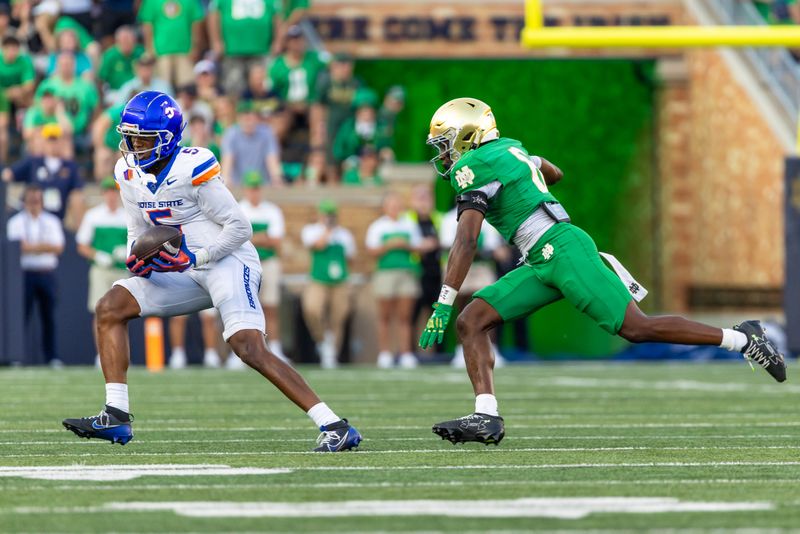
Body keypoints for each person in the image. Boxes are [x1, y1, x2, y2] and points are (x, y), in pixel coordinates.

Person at [418, 97, 787, 446]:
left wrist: (443, 301)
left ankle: (743, 338)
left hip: (562, 250)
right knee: (473, 321)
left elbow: (466, 240)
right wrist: (528, 167)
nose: (445, 154)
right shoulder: (511, 149)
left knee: (636, 328)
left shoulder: (472, 166)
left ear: (468, 137)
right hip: (542, 256)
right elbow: (553, 172)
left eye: (447, 143)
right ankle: (487, 415)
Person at [61, 91, 361, 452]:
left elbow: (240, 228)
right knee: (110, 306)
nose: (132, 145)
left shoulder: (193, 166)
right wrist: (135, 257)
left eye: (142, 138)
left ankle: (334, 424)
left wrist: (196, 258)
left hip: (227, 261)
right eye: (129, 136)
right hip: (183, 267)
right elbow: (136, 228)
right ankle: (116, 416)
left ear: (168, 138)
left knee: (247, 346)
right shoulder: (127, 172)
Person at [439, 206, 506, 368]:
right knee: (461, 310)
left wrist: (482, 251)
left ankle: (492, 350)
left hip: (482, 268)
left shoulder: (488, 218)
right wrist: (475, 250)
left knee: (489, 309)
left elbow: (494, 248)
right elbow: (448, 246)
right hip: (460, 268)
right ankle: (460, 351)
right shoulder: (449, 218)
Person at [6, 184, 65, 367]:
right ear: (24, 201)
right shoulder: (15, 222)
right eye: (31, 200)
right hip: (23, 276)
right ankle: (15, 356)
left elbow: (58, 247)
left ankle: (52, 357)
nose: (34, 203)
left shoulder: (51, 221)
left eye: (37, 200)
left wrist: (32, 247)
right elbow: (17, 248)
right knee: (20, 317)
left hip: (46, 273)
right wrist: (43, 247)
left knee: (49, 318)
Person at [75, 177, 129, 367]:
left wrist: (127, 251)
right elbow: (82, 245)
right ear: (103, 194)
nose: (111, 195)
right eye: (108, 192)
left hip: (122, 271)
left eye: (114, 191)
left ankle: (120, 355)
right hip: (100, 270)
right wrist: (97, 255)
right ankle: (102, 355)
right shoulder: (94, 216)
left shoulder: (127, 216)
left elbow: (137, 243)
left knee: (122, 315)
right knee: (100, 312)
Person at [365, 192, 422, 369]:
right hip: (385, 273)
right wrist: (390, 245)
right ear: (385, 207)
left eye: (397, 204)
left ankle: (405, 353)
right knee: (385, 316)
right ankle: (385, 353)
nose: (395, 208)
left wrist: (405, 245)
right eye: (391, 205)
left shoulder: (409, 224)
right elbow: (371, 251)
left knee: (405, 316)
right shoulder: (377, 226)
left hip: (406, 272)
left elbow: (418, 247)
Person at [238, 171, 288, 363]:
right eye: (251, 188)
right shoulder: (239, 208)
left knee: (271, 307)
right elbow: (237, 240)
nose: (254, 192)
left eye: (257, 188)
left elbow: (275, 241)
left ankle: (274, 348)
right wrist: (262, 237)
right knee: (246, 310)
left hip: (268, 263)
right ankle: (246, 350)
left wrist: (251, 238)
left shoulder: (272, 210)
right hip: (245, 265)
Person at [301, 200, 356, 369]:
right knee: (312, 309)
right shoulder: (311, 230)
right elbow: (317, 245)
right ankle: (322, 339)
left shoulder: (345, 235)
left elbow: (350, 258)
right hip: (318, 279)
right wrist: (328, 230)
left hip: (339, 280)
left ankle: (331, 352)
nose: (329, 217)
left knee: (338, 316)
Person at [2, 123, 84, 225]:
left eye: (55, 140)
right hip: (30, 217)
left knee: (77, 198)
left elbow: (77, 192)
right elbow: (8, 174)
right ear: (43, 142)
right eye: (49, 140)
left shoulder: (70, 166)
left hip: (56, 219)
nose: (52, 144)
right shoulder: (33, 161)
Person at [208, 0, 280, 95]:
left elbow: (278, 16)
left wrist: (278, 41)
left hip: (261, 49)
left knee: (262, 87)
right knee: (233, 88)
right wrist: (216, 41)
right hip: (232, 50)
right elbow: (213, 14)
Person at [405, 184, 442, 355]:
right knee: (412, 314)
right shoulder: (407, 219)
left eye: (426, 198)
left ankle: (438, 352)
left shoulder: (439, 219)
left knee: (438, 314)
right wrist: (421, 247)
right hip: (416, 271)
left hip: (437, 272)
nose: (423, 202)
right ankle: (411, 353)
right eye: (420, 198)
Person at [138, 0, 203, 88]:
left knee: (187, 87)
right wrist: (150, 50)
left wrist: (195, 47)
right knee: (162, 88)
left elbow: (196, 23)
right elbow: (147, 25)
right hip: (160, 52)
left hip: (185, 51)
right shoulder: (151, 1)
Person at [221, 100, 284, 187]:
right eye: (245, 118)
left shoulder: (267, 133)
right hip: (238, 186)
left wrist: (276, 178)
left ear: (257, 118)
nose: (248, 122)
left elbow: (272, 159)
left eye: (251, 117)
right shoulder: (231, 134)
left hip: (262, 186)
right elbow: (227, 160)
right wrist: (226, 179)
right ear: (238, 118)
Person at [35, 52, 99, 138]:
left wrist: (91, 124)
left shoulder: (85, 86)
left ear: (74, 65)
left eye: (68, 64)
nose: (65, 67)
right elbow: (37, 106)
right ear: (57, 66)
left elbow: (96, 108)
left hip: (80, 133)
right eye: (63, 64)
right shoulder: (47, 85)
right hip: (52, 133)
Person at [98, 25, 144, 104]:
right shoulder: (110, 55)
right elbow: (101, 80)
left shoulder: (140, 52)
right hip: (116, 93)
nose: (127, 42)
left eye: (129, 39)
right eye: (124, 40)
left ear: (134, 41)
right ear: (117, 41)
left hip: (138, 91)